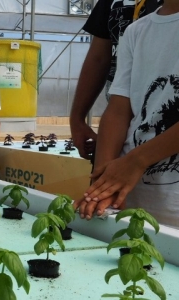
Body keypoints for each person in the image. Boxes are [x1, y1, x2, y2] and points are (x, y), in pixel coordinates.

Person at [74, 0, 179, 228]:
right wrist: (103, 183)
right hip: (132, 192)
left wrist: (136, 161)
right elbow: (119, 110)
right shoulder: (137, 30)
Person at [69, 0, 163, 159]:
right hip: (117, 126)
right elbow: (98, 58)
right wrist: (77, 119)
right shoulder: (133, 29)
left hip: (163, 128)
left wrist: (137, 161)